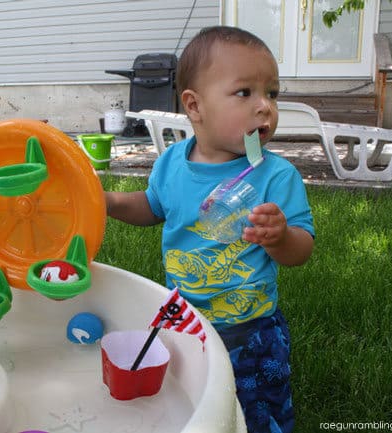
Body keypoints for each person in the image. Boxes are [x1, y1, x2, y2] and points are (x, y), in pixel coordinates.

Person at [105, 26, 315, 433]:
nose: (265, 108)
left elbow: (301, 250)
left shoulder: (276, 176)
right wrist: (112, 202)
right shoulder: (172, 164)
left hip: (250, 330)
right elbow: (152, 207)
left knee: (255, 410)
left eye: (272, 93)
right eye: (245, 93)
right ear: (194, 106)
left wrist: (282, 237)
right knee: (195, 401)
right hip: (184, 321)